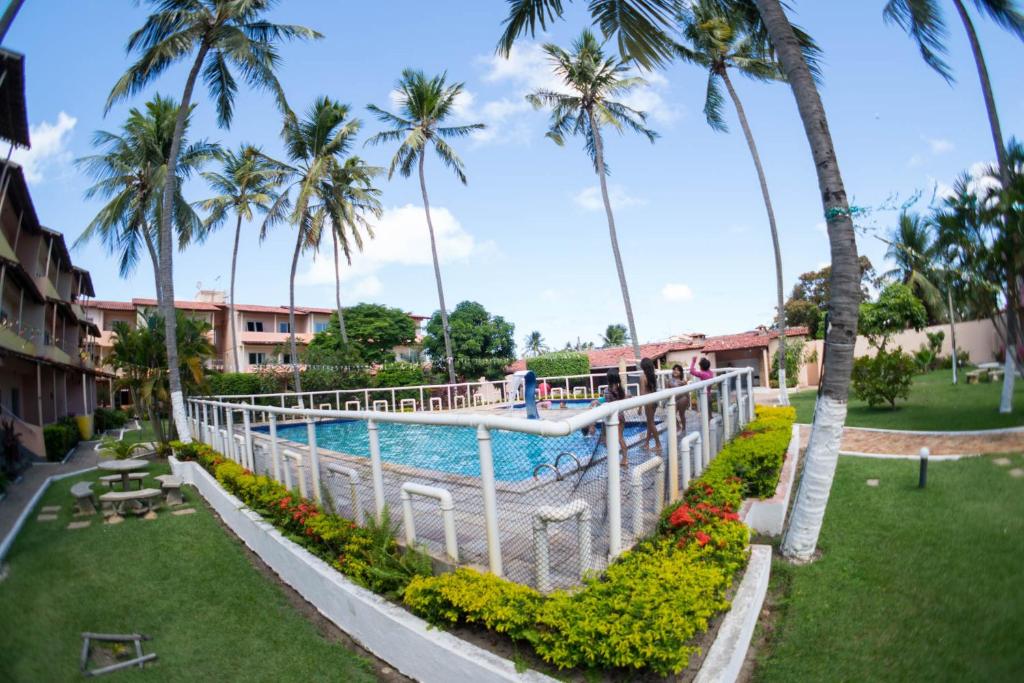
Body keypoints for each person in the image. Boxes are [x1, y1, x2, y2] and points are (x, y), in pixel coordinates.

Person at [604, 368, 629, 465]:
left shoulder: (607, 390)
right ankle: (624, 458)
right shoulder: (620, 389)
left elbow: (607, 403)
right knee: (620, 438)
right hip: (621, 416)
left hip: (613, 418)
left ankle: (624, 459)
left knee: (615, 438)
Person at [638, 358, 662, 453]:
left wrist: (640, 407)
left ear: (643, 366)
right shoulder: (653, 375)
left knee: (651, 423)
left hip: (648, 402)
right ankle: (647, 443)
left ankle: (658, 444)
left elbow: (643, 393)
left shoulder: (642, 376)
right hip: (654, 401)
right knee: (650, 423)